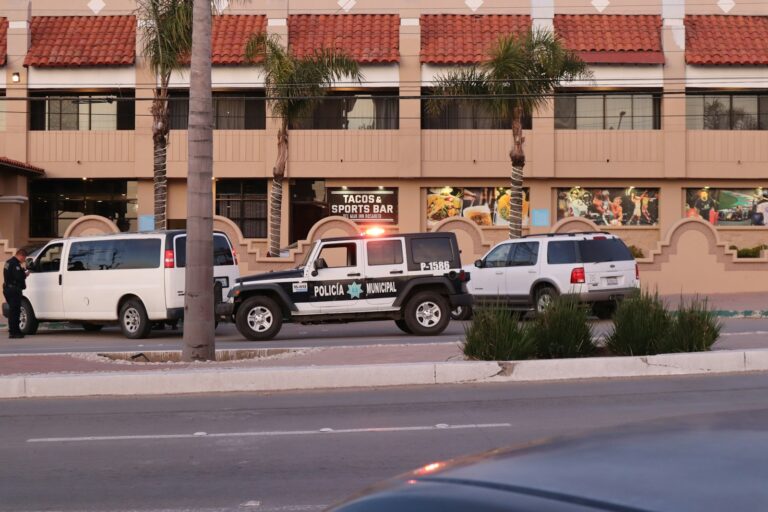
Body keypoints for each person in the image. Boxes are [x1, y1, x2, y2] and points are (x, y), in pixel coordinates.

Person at [3, 249, 29, 339]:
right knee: (15, 312)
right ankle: (14, 332)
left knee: (13, 311)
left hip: (8, 289)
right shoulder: (15, 264)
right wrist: (25, 274)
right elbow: (18, 277)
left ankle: (13, 331)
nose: (24, 260)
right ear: (21, 255)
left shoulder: (8, 262)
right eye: (24, 258)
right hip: (14, 290)